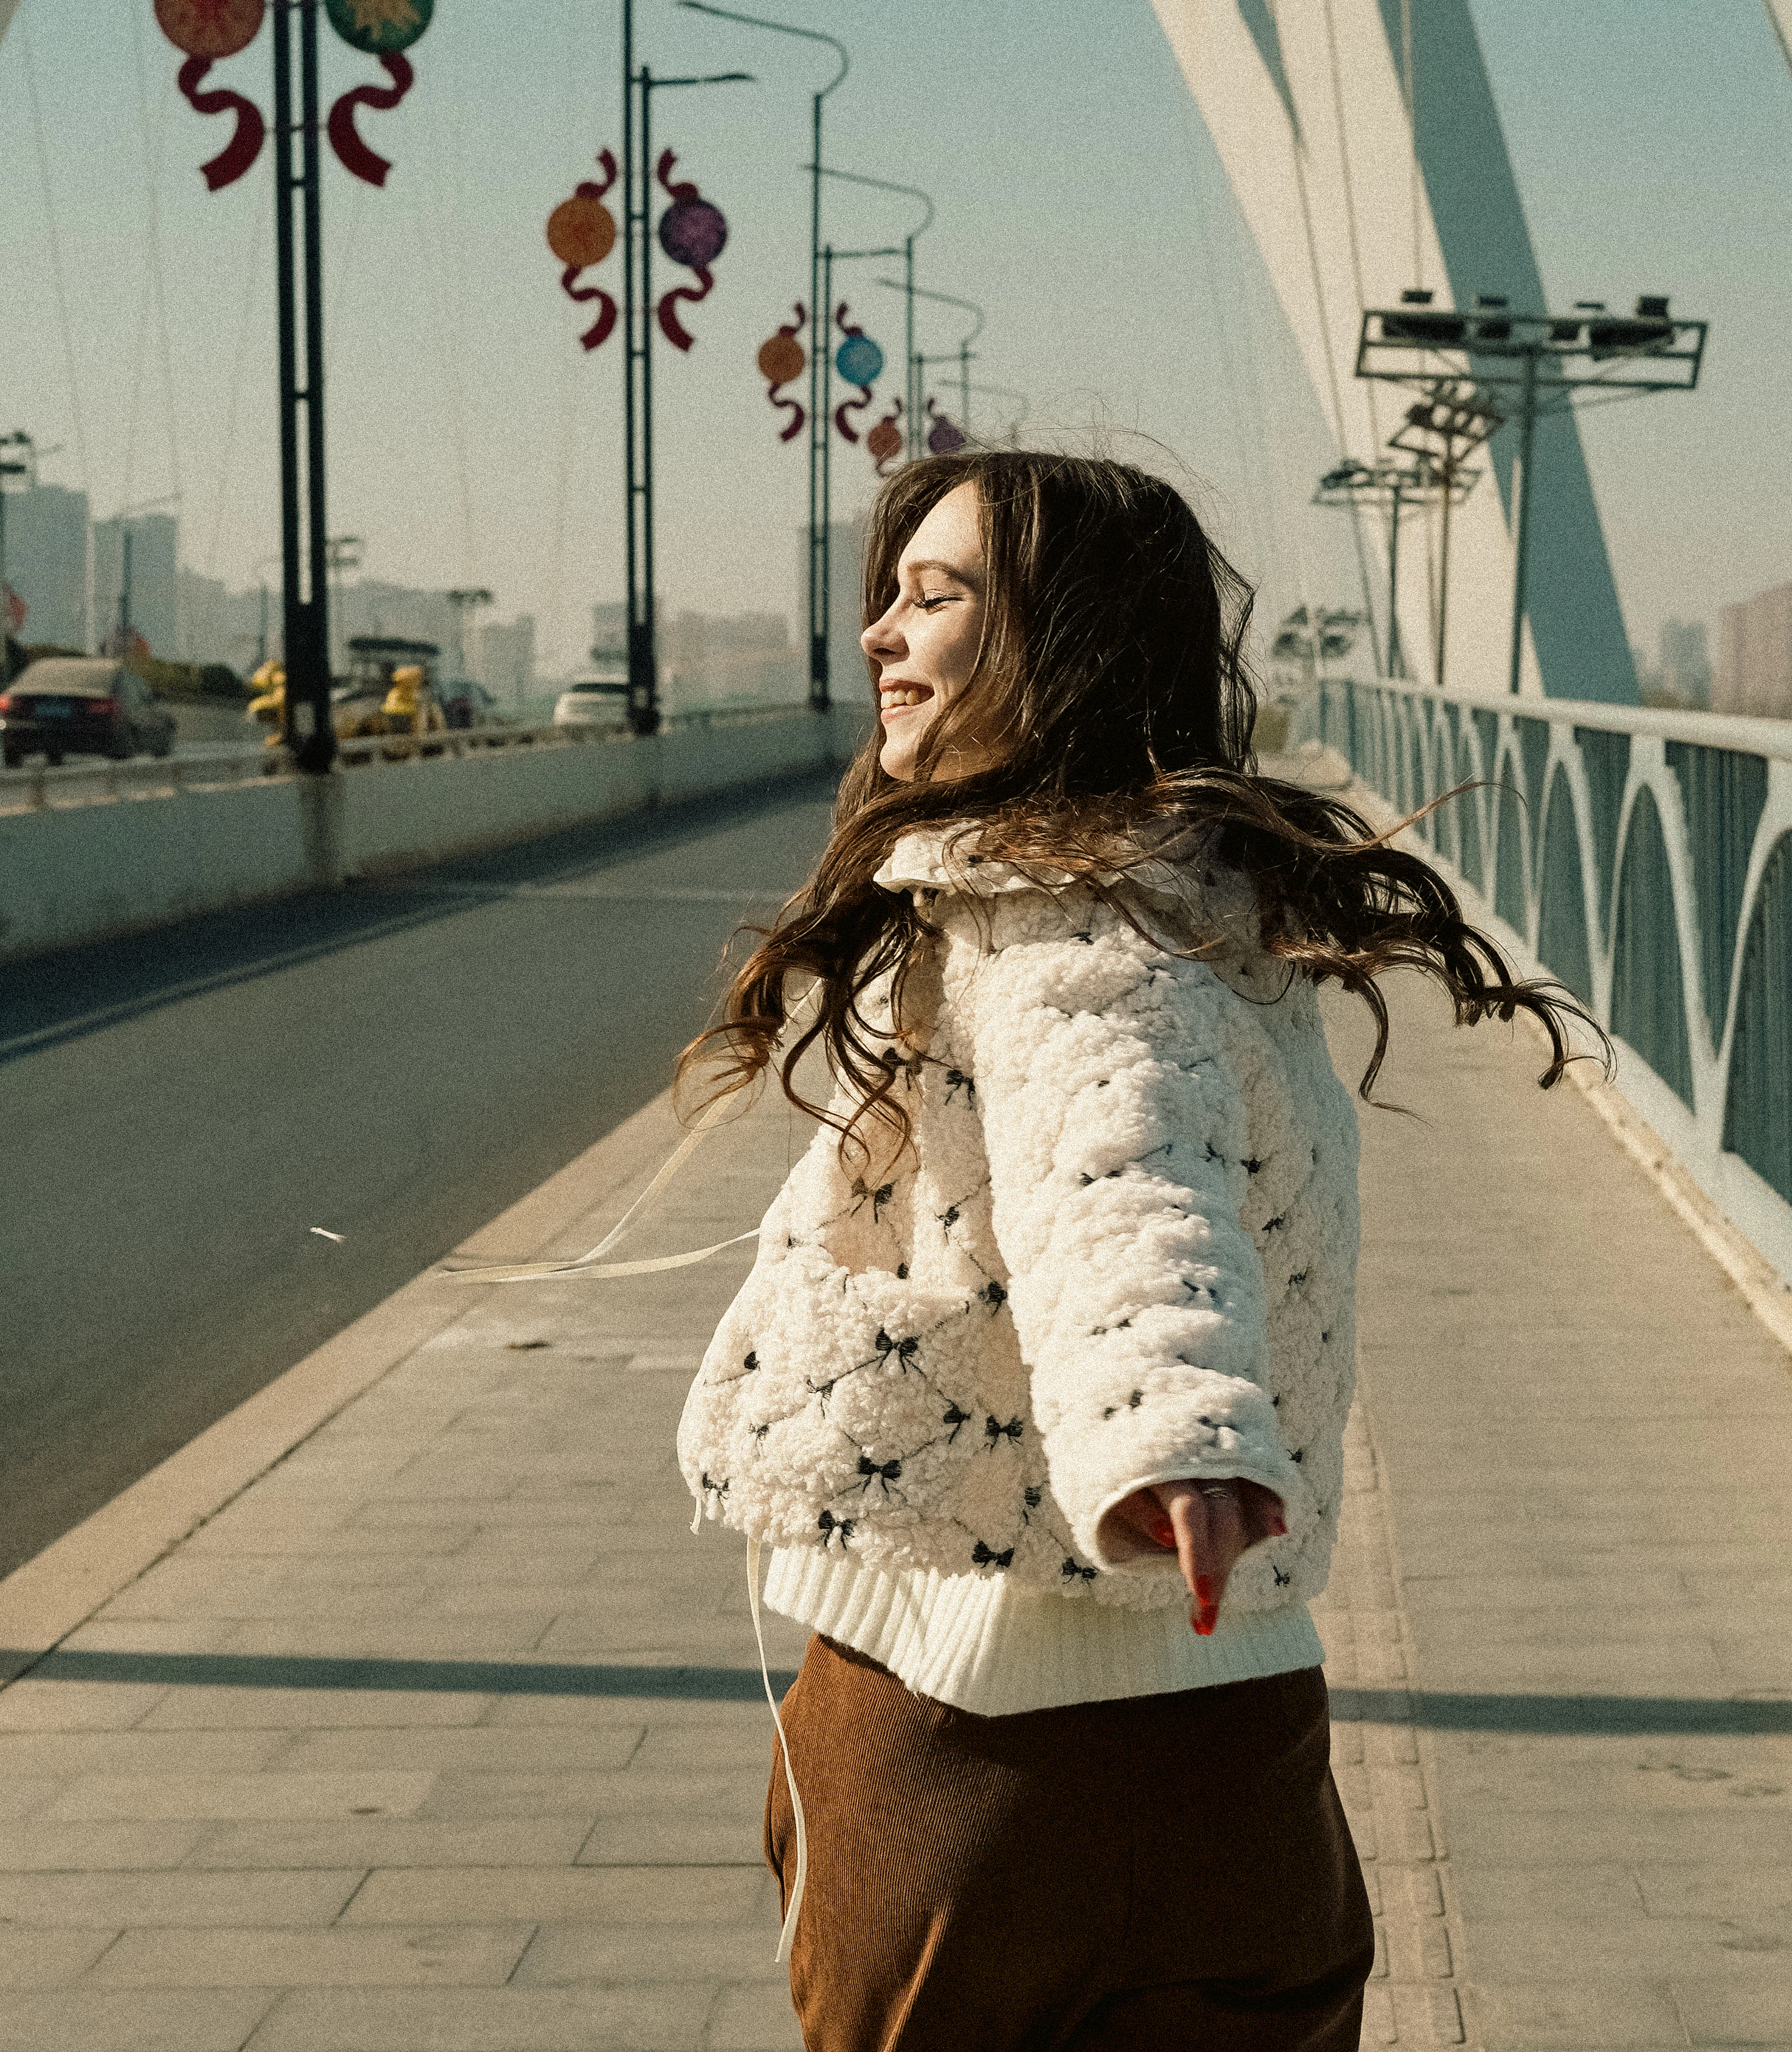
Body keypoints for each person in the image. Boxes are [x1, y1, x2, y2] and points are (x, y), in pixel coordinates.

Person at [677, 449, 1580, 2048]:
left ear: (1064, 645)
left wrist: (1172, 1429)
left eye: (936, 597)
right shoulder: (1192, 907)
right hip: (1235, 1740)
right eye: (885, 595)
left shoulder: (1057, 916)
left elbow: (1121, 1172)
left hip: (965, 1731)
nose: (885, 634)